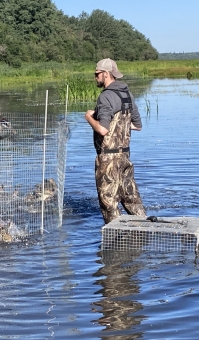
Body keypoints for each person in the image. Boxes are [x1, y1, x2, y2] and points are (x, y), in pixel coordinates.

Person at [84, 58, 146, 224]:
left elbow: (103, 130)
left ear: (105, 74)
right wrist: (101, 117)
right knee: (131, 199)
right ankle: (146, 229)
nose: (95, 77)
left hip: (108, 160)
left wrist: (89, 117)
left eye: (97, 74)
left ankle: (115, 238)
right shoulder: (127, 94)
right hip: (124, 157)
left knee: (108, 202)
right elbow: (136, 125)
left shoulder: (106, 97)